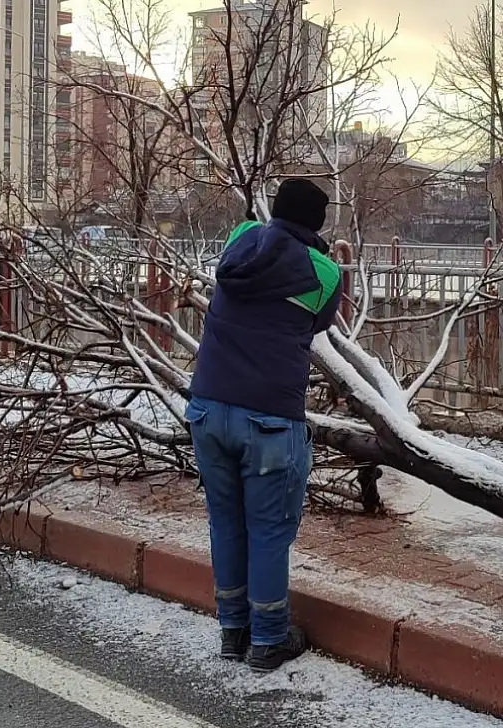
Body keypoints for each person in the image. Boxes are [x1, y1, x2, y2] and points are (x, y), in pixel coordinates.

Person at [185, 178, 342, 673]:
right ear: (319, 222)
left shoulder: (239, 240)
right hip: (270, 419)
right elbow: (316, 326)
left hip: (208, 409)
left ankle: (234, 632)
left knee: (226, 521)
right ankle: (269, 639)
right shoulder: (325, 274)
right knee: (269, 529)